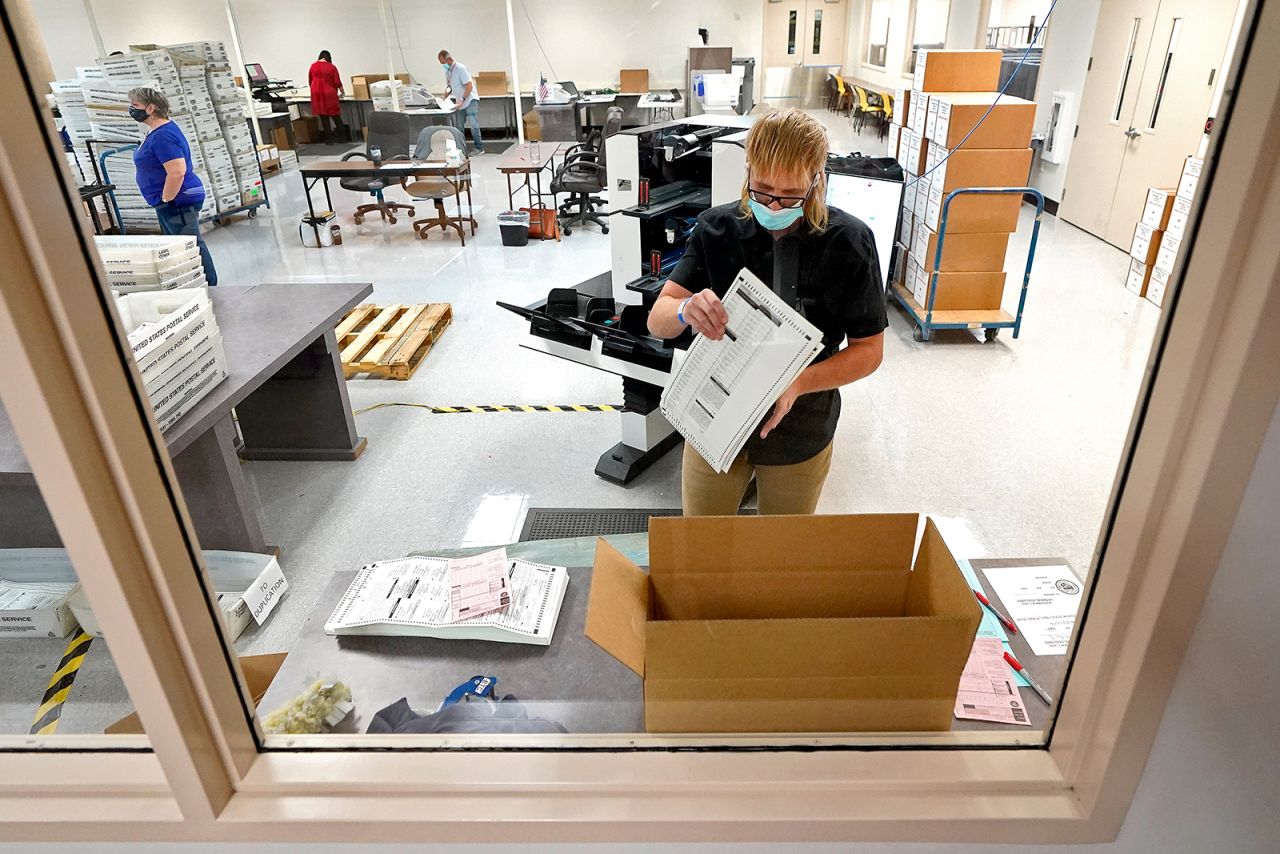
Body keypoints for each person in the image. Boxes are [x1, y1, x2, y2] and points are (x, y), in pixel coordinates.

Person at [647, 109, 885, 516]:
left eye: (790, 194)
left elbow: (869, 350)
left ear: (817, 181)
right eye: (762, 188)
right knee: (703, 543)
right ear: (747, 172)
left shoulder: (849, 242)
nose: (774, 204)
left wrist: (799, 383)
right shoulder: (716, 229)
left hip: (801, 426)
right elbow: (659, 320)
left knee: (780, 552)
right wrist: (686, 309)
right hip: (714, 418)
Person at [127, 87, 217, 286]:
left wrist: (166, 198)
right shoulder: (156, 132)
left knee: (189, 246)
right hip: (172, 200)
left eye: (135, 105)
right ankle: (194, 285)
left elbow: (177, 171)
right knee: (181, 245)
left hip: (178, 200)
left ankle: (210, 286)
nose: (131, 109)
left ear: (150, 108)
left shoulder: (163, 136)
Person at [438, 49, 484, 154]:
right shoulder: (448, 72)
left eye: (443, 63)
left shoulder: (460, 68)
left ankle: (479, 148)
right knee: (458, 126)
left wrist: (463, 99)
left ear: (448, 59)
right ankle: (461, 149)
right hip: (459, 102)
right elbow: (449, 87)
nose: (443, 65)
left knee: (473, 125)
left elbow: (469, 85)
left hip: (469, 100)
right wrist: (443, 97)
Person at [308, 50, 345, 144]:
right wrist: (342, 92)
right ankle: (342, 139)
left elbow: (310, 81)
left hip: (316, 93)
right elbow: (337, 82)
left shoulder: (313, 66)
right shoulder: (331, 67)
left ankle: (329, 140)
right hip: (329, 93)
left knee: (323, 117)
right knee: (335, 116)